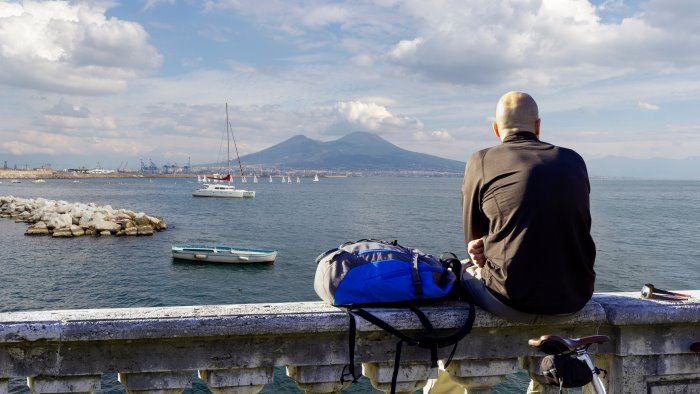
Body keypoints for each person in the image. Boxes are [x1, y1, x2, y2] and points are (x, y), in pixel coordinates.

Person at [424, 91, 596, 394]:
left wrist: (483, 247)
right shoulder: (574, 159)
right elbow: (573, 227)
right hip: (575, 297)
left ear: (495, 129)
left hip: (510, 300)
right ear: (538, 126)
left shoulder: (482, 159)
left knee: (453, 276)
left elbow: (472, 241)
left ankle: (443, 389)